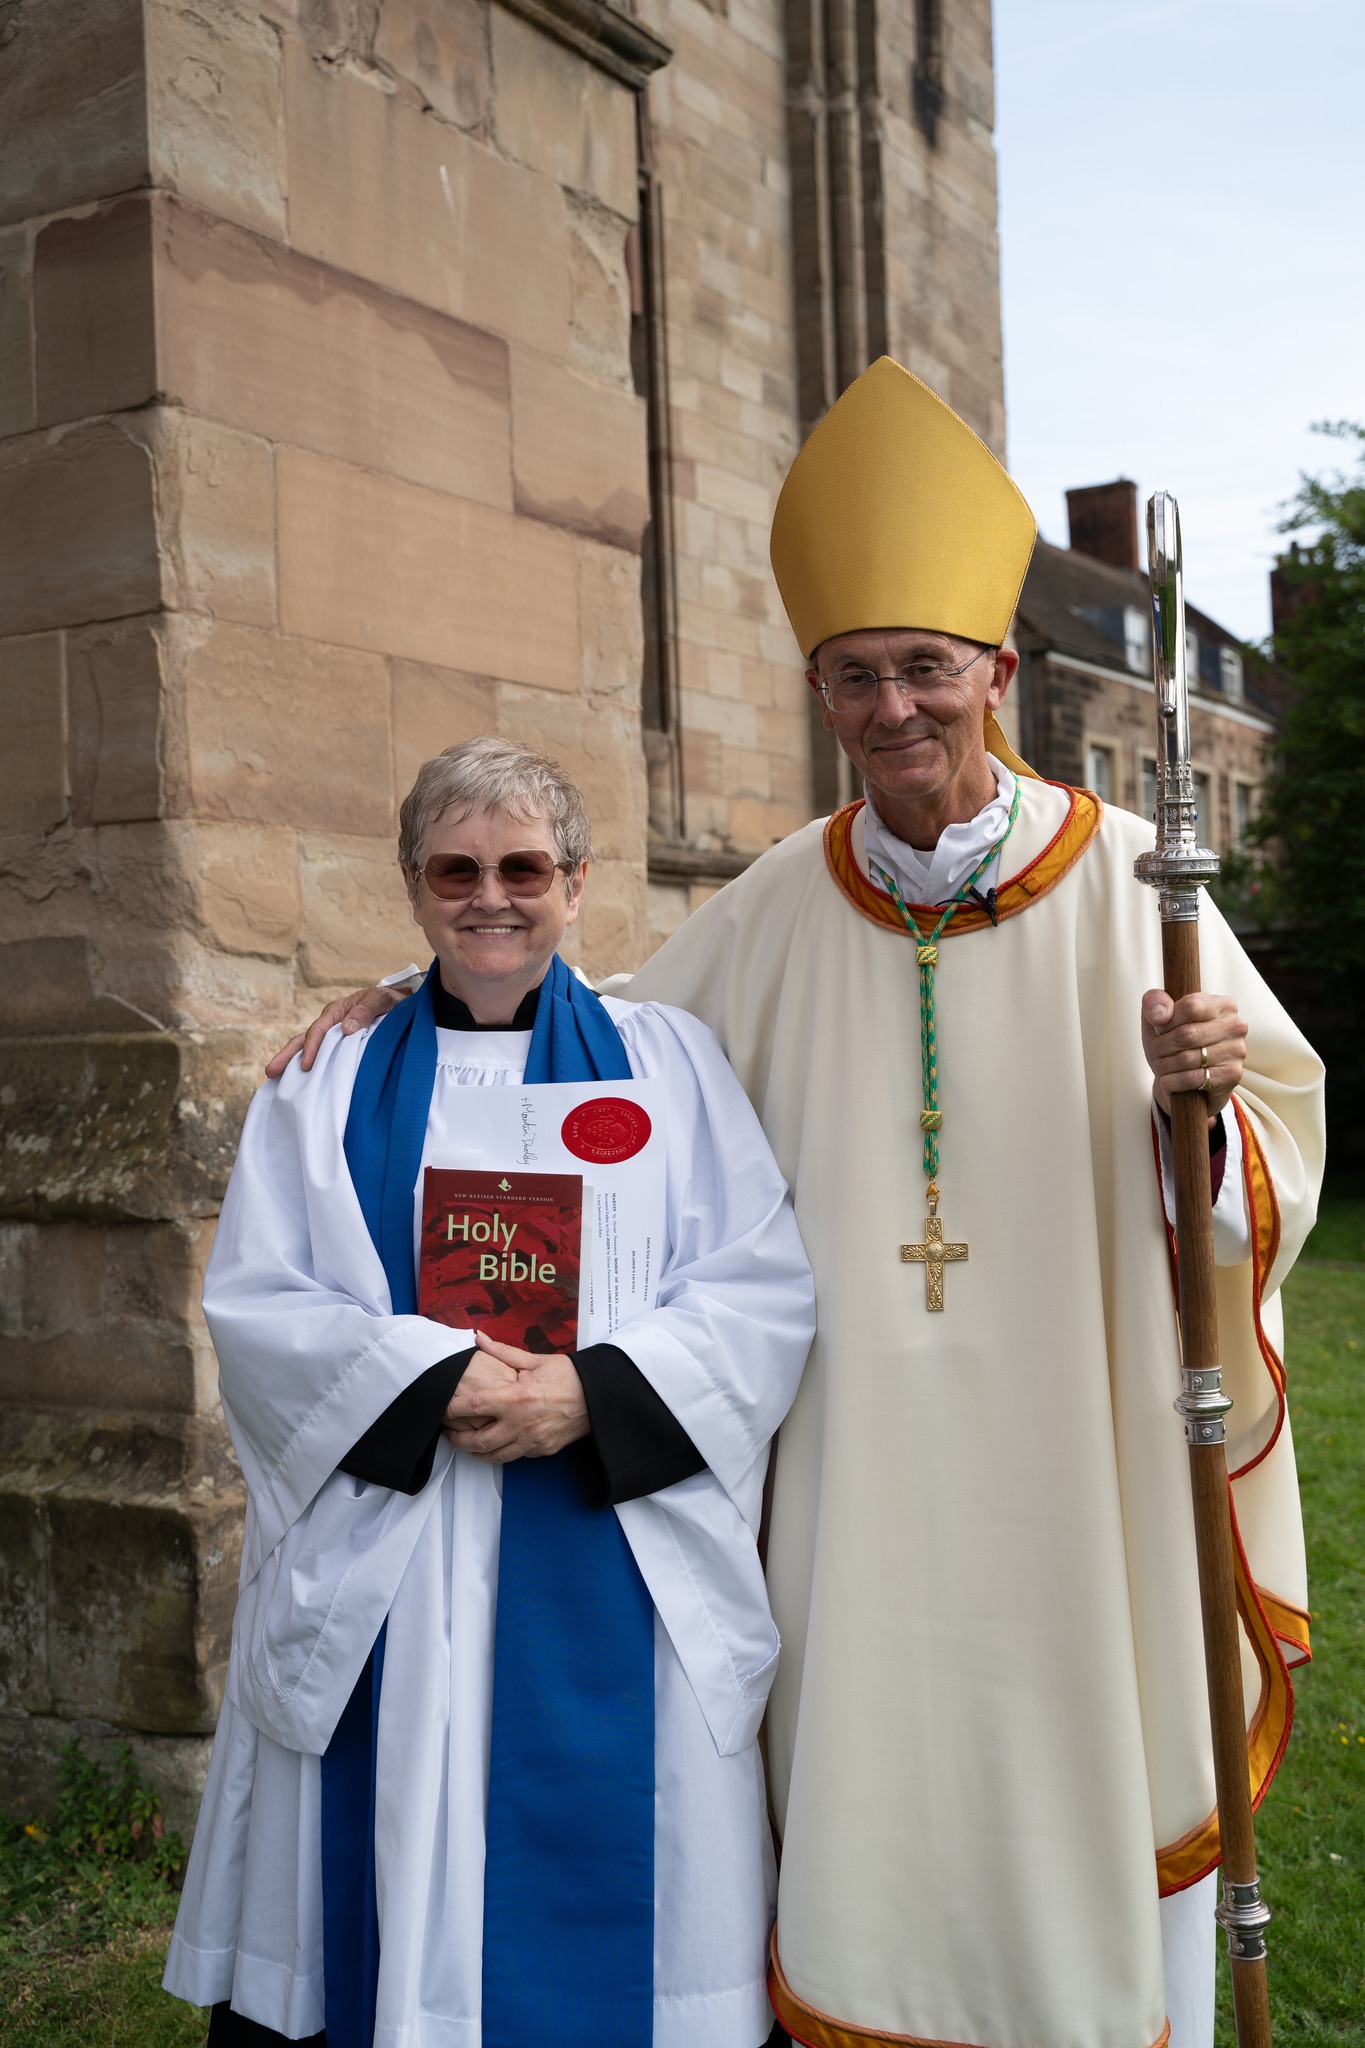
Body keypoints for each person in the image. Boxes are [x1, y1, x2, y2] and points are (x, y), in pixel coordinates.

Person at [272, 361, 1325, 2048]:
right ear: (822, 692)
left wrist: (1204, 1101)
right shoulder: (773, 904)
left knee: (1079, 1749)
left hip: (1080, 1446)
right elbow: (569, 1026)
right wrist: (397, 998)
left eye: (924, 670)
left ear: (995, 673)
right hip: (845, 1469)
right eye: (854, 679)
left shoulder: (1142, 887)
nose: (893, 707)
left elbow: (1265, 1143)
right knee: (856, 1761)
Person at [165, 739, 815, 2048]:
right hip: (397, 1538)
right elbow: (260, 1299)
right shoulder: (326, 1080)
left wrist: (596, 1394)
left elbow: (759, 1290)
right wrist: (430, 1374)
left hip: (604, 1525)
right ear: (413, 886)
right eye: (455, 869)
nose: (490, 897)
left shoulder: (666, 1063)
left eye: (524, 867)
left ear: (575, 884)